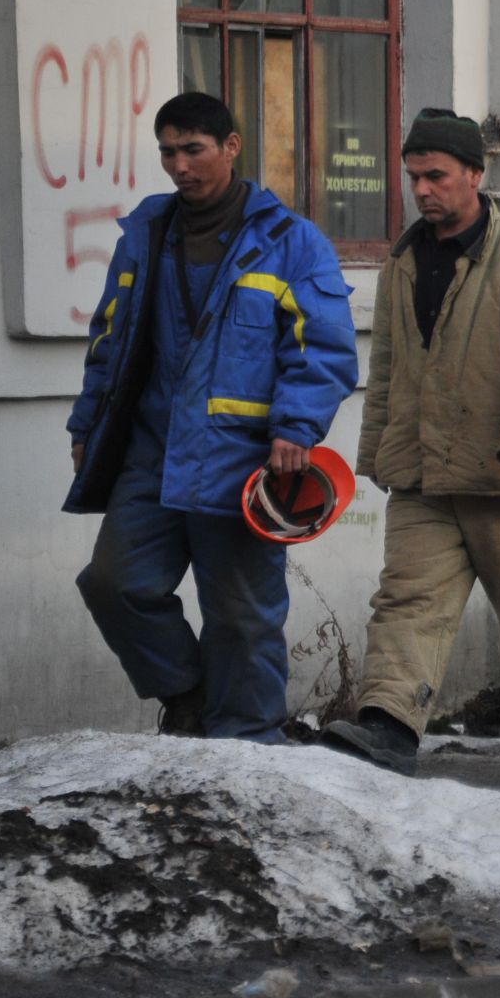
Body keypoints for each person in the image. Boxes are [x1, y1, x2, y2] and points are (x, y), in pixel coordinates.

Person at [66, 91, 359, 742]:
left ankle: (250, 749)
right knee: (115, 582)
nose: (178, 166)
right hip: (154, 452)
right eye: (168, 151)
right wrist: (87, 425)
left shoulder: (291, 243)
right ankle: (189, 694)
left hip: (242, 458)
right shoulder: (146, 234)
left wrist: (295, 427)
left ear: (231, 147)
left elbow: (327, 347)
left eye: (192, 149)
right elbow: (109, 338)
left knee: (242, 616)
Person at [323, 110, 500, 776]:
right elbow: (387, 365)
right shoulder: (404, 262)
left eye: (436, 175)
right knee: (405, 602)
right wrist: (378, 452)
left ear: (476, 174)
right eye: (414, 176)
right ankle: (387, 724)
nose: (422, 189)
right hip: (425, 478)